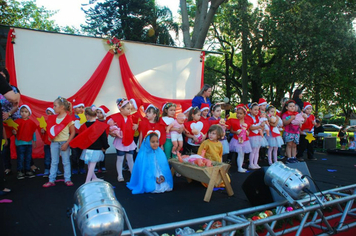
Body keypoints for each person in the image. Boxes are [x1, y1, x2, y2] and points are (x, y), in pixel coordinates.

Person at [70, 107, 109, 183]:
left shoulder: (84, 126)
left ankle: (94, 178)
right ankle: (87, 181)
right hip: (96, 148)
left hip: (87, 148)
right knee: (92, 165)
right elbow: (104, 137)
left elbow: (81, 137)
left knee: (90, 164)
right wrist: (105, 146)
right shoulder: (100, 125)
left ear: (87, 115)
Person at [43, 97, 75, 187]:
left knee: (66, 161)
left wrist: (67, 143)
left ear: (61, 107)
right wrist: (50, 135)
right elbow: (51, 129)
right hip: (54, 143)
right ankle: (51, 179)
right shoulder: (53, 118)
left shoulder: (68, 118)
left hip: (64, 142)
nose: (53, 107)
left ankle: (67, 179)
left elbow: (73, 132)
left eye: (55, 106)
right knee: (54, 161)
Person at [107, 98, 136, 182]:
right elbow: (109, 126)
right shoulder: (115, 118)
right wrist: (113, 132)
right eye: (128, 108)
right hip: (120, 141)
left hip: (129, 140)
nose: (130, 110)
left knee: (130, 158)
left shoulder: (131, 117)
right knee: (120, 158)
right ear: (121, 109)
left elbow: (137, 124)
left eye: (130, 108)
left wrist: (136, 126)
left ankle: (133, 174)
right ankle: (120, 175)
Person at [0, 71, 19, 195]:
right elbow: (13, 98)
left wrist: (9, 113)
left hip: (9, 119)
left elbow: (16, 102)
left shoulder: (13, 87)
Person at [12, 105, 37, 179]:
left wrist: (34, 141)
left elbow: (33, 132)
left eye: (26, 112)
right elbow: (14, 131)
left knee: (28, 157)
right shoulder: (17, 122)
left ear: (29, 113)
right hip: (20, 143)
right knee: (20, 158)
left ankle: (27, 170)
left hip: (29, 143)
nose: (23, 113)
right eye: (22, 111)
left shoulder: (31, 122)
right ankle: (20, 171)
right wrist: (14, 132)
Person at [227, 104, 252, 173]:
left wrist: (247, 133)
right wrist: (236, 132)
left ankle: (240, 166)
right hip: (236, 139)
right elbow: (231, 130)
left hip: (244, 140)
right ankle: (239, 167)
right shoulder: (234, 121)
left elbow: (248, 132)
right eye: (237, 113)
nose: (238, 115)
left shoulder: (247, 123)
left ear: (244, 114)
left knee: (242, 154)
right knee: (240, 153)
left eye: (241, 113)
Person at [41, 108, 62, 177]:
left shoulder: (56, 122)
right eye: (48, 113)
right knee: (47, 157)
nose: (49, 115)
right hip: (47, 143)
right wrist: (42, 131)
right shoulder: (45, 122)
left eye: (51, 113)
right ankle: (47, 169)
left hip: (54, 143)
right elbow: (42, 131)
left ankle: (56, 169)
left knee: (55, 157)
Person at [248, 102, 267, 169]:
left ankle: (255, 163)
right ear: (250, 110)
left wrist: (262, 126)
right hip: (252, 135)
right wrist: (259, 126)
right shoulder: (249, 117)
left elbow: (262, 126)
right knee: (253, 150)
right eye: (255, 110)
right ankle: (251, 163)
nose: (256, 111)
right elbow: (250, 127)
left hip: (258, 135)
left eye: (257, 110)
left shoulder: (258, 117)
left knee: (257, 150)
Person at [71, 98, 86, 175]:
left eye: (82, 107)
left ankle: (81, 167)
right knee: (74, 154)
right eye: (79, 107)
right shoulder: (71, 117)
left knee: (81, 154)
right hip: (74, 137)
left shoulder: (84, 117)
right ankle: (74, 167)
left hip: (82, 137)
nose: (81, 109)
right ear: (74, 108)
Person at [95, 105, 110, 172]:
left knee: (103, 153)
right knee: (95, 154)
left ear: (104, 114)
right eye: (98, 112)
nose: (99, 114)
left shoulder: (106, 122)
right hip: (96, 140)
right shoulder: (95, 121)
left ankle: (102, 166)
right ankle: (95, 166)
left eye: (101, 113)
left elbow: (107, 131)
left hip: (103, 140)